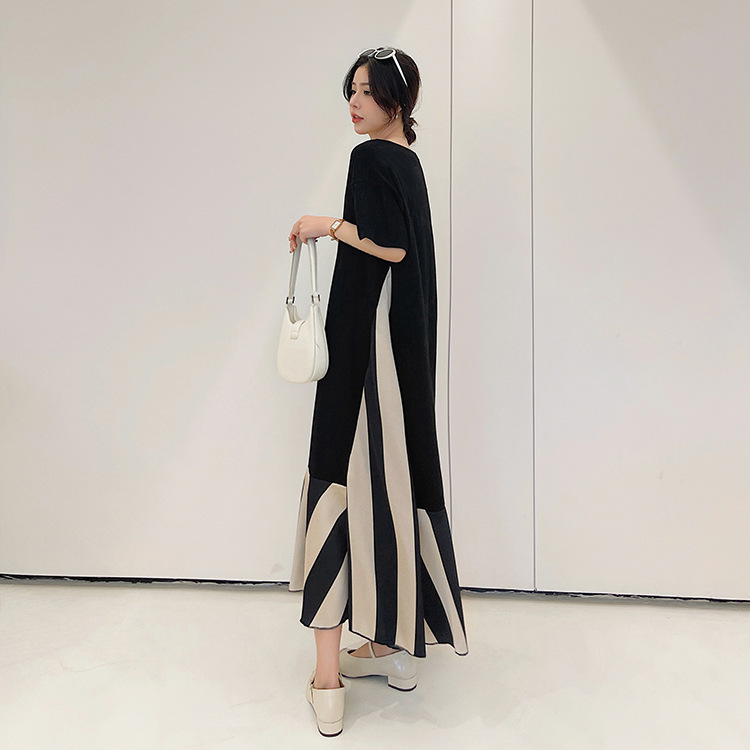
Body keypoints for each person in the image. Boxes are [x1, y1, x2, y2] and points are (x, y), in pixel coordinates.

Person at [287, 47, 468, 737]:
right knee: (393, 486)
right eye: (352, 91)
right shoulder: (409, 163)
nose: (354, 103)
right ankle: (393, 648)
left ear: (397, 99)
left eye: (367, 91)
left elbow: (387, 247)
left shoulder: (369, 160)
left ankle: (327, 683)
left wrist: (324, 226)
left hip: (363, 356)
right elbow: (409, 260)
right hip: (402, 362)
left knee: (334, 479)